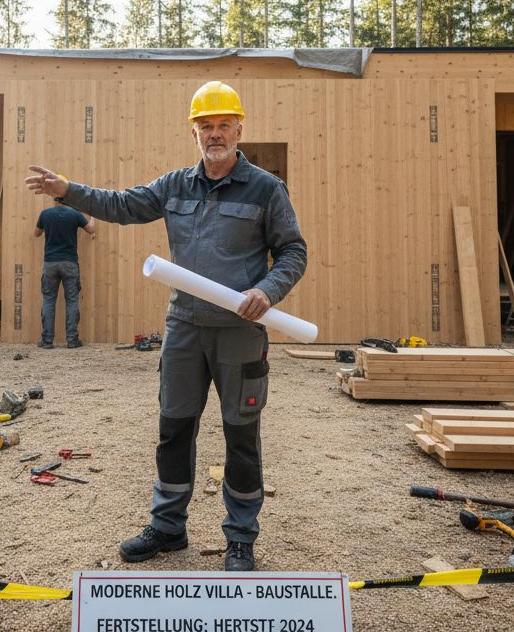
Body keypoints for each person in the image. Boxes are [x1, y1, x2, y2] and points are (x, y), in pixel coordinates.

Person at [24, 80, 307, 572]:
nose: (215, 134)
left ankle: (240, 537)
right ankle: (169, 526)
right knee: (173, 429)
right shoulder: (175, 185)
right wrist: (66, 191)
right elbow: (120, 204)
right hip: (184, 329)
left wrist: (268, 290)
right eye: (206, 126)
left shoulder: (266, 189)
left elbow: (293, 251)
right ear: (194, 132)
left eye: (223, 125)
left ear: (239, 128)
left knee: (241, 435)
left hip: (239, 332)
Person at [34, 204, 97, 348]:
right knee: (72, 301)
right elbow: (91, 229)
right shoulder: (74, 214)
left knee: (49, 300)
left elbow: (37, 233)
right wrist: (93, 215)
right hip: (70, 263)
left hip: (50, 263)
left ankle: (47, 341)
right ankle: (72, 340)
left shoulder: (45, 214)